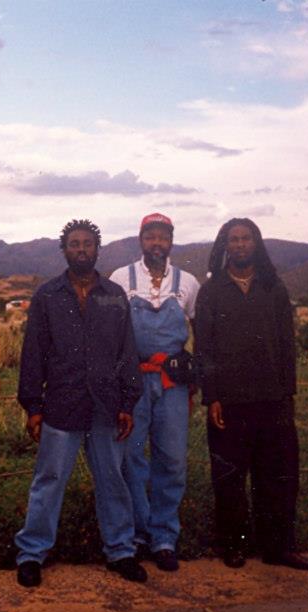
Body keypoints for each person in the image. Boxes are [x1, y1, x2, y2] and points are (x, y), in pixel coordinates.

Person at [14, 219, 145, 588]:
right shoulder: (47, 295)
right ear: (64, 249)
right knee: (49, 480)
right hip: (61, 403)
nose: (82, 249)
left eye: (88, 243)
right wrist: (33, 407)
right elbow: (33, 354)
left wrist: (128, 402)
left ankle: (120, 551)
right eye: (75, 243)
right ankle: (31, 554)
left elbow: (127, 351)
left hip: (106, 405)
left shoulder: (114, 295)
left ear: (97, 249)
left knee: (112, 480)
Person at [194, 217, 308, 571]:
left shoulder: (273, 287)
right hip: (229, 402)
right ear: (225, 245)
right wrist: (212, 397)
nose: (239, 244)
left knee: (277, 477)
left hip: (272, 400)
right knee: (229, 479)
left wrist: (287, 394)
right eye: (233, 239)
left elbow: (286, 345)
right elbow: (204, 348)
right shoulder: (212, 290)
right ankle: (233, 546)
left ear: (256, 243)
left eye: (245, 238)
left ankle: (278, 548)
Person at [109, 213, 200, 572]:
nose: (157, 243)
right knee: (129, 456)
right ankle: (135, 534)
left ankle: (164, 537)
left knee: (172, 459)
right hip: (133, 380)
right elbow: (109, 330)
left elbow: (200, 329)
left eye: (163, 237)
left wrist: (196, 370)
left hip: (172, 382)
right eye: (151, 237)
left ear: (171, 241)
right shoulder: (121, 278)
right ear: (141, 240)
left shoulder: (188, 282)